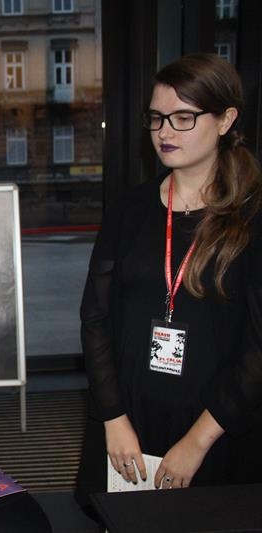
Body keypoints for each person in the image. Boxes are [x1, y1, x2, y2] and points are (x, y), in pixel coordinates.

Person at [76, 53, 262, 508]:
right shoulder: (130, 209)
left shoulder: (251, 216)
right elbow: (95, 316)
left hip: (217, 425)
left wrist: (197, 442)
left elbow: (258, 348)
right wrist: (112, 416)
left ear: (225, 120)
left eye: (183, 118)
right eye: (157, 118)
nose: (164, 132)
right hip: (129, 417)